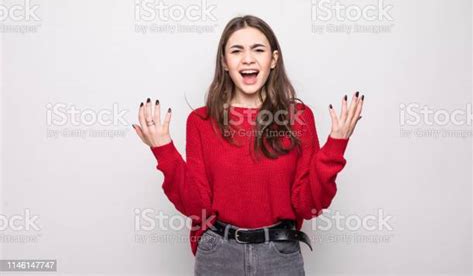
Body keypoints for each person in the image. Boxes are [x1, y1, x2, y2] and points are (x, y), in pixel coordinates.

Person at [132, 15, 364, 275]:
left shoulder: (298, 118)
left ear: (273, 59)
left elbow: (309, 205)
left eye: (258, 49)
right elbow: (198, 208)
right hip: (218, 254)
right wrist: (164, 150)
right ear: (225, 62)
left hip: (279, 255)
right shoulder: (200, 121)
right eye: (236, 50)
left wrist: (336, 146)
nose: (248, 59)